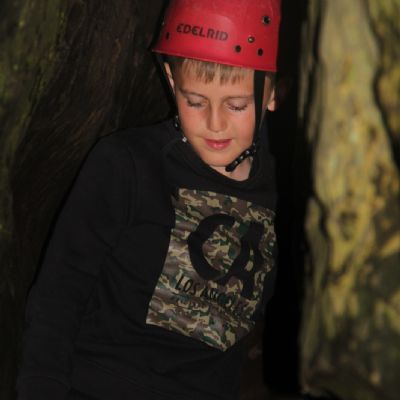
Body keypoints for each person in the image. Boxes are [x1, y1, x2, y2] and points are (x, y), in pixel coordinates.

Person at [17, 0, 281, 399]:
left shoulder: (286, 195)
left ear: (272, 93)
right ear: (172, 82)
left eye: (236, 105)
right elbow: (60, 291)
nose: (215, 123)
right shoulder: (126, 165)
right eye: (195, 101)